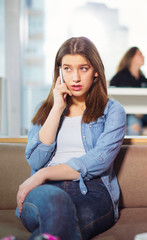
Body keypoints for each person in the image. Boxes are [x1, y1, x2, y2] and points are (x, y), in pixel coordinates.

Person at [16, 37, 126, 240]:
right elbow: (35, 160)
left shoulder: (113, 111)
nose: (75, 77)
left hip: (92, 190)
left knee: (61, 223)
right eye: (67, 68)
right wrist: (57, 108)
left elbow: (99, 160)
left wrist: (44, 174)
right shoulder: (44, 110)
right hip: (45, 191)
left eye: (83, 68)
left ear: (95, 71)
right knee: (56, 204)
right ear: (59, 71)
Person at [110, 47, 147, 135]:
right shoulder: (119, 77)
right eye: (139, 54)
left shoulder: (145, 81)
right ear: (131, 58)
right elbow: (112, 98)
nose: (143, 56)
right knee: (135, 125)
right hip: (127, 113)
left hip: (144, 113)